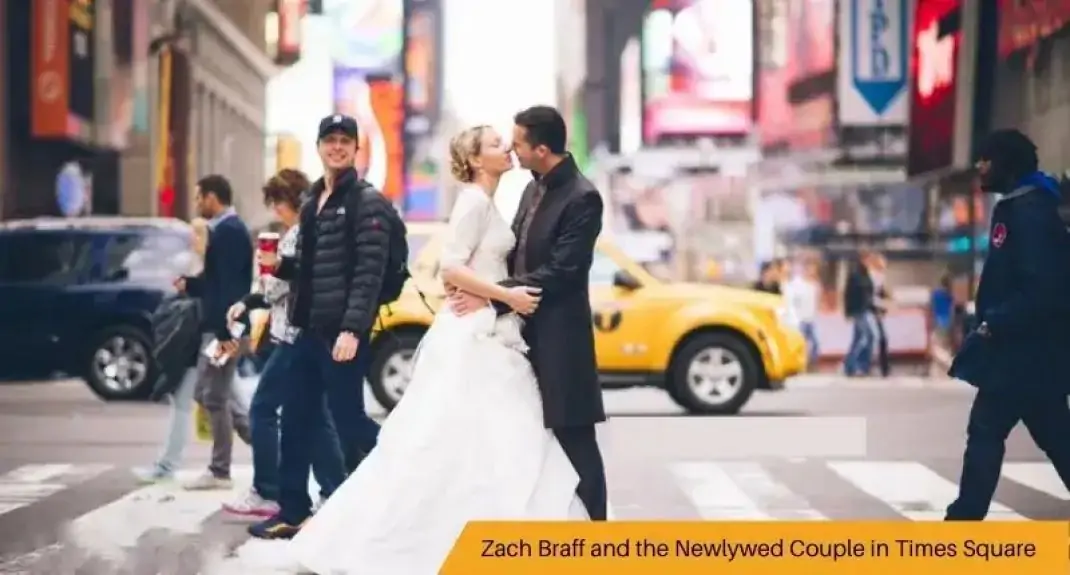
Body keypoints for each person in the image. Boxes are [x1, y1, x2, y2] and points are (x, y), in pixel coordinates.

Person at [275, 118, 593, 574]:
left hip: (487, 331)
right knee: (446, 441)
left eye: (509, 143)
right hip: (472, 335)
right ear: (475, 158)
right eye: (496, 143)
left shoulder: (491, 201)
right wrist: (506, 296)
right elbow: (451, 268)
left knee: (476, 444)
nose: (507, 148)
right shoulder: (472, 203)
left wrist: (493, 294)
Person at [454, 106, 609, 520]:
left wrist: (490, 295)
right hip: (518, 333)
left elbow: (562, 270)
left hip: (561, 337)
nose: (513, 150)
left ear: (541, 149)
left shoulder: (583, 197)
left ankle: (597, 535)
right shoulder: (530, 189)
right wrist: (489, 293)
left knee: (575, 438)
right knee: (531, 443)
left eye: (519, 144)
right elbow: (515, 259)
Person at [248, 114, 388, 539]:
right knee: (296, 420)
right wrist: (280, 266)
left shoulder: (366, 201)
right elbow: (309, 265)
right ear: (320, 146)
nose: (338, 146)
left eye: (346, 140)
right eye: (331, 139)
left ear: (356, 149)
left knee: (351, 424)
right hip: (306, 331)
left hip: (341, 334)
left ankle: (406, 478)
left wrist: (352, 329)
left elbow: (369, 271)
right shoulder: (313, 201)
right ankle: (293, 510)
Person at [946, 129, 1070, 520]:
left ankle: (963, 522)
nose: (980, 166)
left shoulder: (1029, 211)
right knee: (1056, 435)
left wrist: (995, 324)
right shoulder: (1028, 205)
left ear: (1007, 165)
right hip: (1033, 352)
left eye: (987, 159)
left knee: (985, 431)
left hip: (1021, 350)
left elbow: (1043, 286)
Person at [221, 169, 346, 518]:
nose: (275, 210)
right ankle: (334, 491)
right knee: (315, 417)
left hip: (293, 336)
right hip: (312, 336)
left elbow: (277, 289)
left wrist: (265, 271)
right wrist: (250, 299)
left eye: (275, 202)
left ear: (281, 203)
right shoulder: (315, 231)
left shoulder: (294, 238)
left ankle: (268, 490)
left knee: (262, 409)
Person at [133, 217, 210, 484]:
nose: (194, 240)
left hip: (202, 343)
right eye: (193, 235)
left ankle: (167, 465)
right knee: (185, 403)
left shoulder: (209, 265)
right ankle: (167, 464)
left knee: (238, 409)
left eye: (199, 235)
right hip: (192, 344)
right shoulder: (192, 262)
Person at [842, 250, 877, 376]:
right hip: (858, 310)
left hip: (866, 310)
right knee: (866, 337)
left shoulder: (867, 275)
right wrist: (847, 311)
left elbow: (870, 294)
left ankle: (858, 366)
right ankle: (853, 365)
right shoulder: (855, 275)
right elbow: (848, 294)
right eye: (867, 260)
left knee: (861, 338)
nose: (869, 262)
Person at [783, 258, 820, 368]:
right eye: (810, 269)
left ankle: (811, 363)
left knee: (815, 343)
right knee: (800, 344)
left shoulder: (814, 285)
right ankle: (800, 364)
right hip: (801, 319)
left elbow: (815, 302)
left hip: (811, 319)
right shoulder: (798, 284)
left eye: (814, 269)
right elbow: (793, 301)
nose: (812, 271)